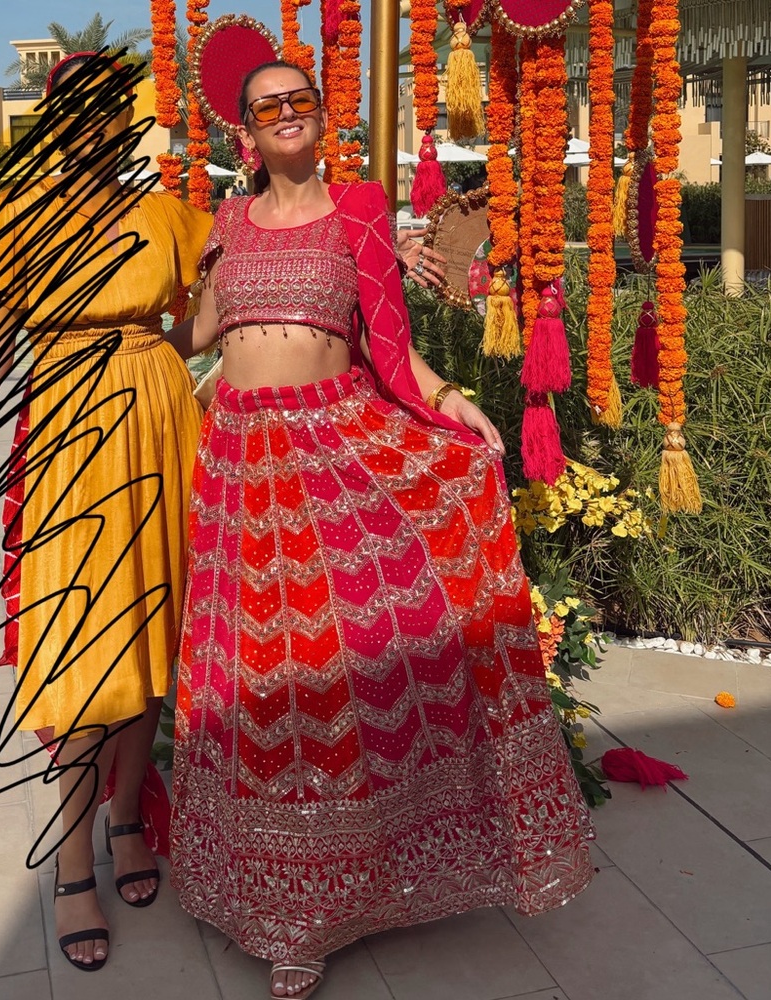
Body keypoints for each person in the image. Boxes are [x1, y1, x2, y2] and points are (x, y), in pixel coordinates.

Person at [164, 53, 594, 1000]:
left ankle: (337, 897)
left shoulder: (361, 211)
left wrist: (451, 403)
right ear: (245, 132)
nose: (285, 114)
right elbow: (196, 334)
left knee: (334, 677)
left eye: (299, 101)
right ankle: (281, 908)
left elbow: (391, 348)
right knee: (260, 681)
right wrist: (103, 327)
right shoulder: (226, 222)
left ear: (321, 118)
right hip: (239, 467)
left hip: (332, 452)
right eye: (266, 106)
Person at [0, 52, 213, 973]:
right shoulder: (22, 218)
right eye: (76, 112)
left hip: (159, 415)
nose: (93, 128)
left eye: (108, 112)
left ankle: (131, 815)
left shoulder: (168, 215)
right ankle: (70, 864)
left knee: (148, 643)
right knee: (79, 653)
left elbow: (204, 322)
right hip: (69, 436)